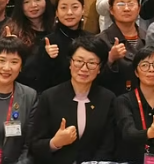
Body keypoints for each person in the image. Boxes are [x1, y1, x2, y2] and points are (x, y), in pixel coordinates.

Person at [27, 36, 117, 164]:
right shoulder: (50, 97)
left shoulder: (107, 99)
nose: (84, 68)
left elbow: (108, 145)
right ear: (70, 63)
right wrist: (55, 143)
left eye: (91, 63)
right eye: (79, 61)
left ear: (99, 68)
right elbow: (34, 145)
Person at [115, 47, 154, 164]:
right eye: (145, 65)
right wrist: (149, 133)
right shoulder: (123, 101)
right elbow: (128, 133)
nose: (151, 69)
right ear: (136, 72)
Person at [95, 0, 144, 96]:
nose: (126, 8)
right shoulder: (101, 40)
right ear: (111, 9)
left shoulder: (148, 37)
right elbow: (94, 80)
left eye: (131, 4)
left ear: (139, 8)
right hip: (113, 100)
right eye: (121, 4)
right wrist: (110, 60)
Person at [6, 0, 53, 91]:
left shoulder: (55, 28)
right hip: (23, 92)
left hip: (52, 93)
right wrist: (10, 46)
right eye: (26, 2)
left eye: (38, 0)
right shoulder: (12, 31)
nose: (33, 5)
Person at [40, 0, 87, 91]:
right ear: (56, 12)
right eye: (63, 8)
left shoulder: (91, 40)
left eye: (75, 7)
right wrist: (46, 57)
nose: (69, 12)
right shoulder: (48, 42)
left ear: (83, 9)